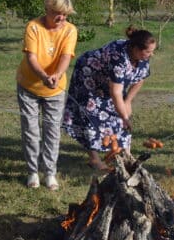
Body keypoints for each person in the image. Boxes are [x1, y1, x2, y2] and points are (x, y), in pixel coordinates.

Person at [63, 27, 156, 170]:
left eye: (152, 51)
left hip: (110, 82)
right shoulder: (118, 58)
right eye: (148, 51)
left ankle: (126, 155)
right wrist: (125, 117)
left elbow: (140, 78)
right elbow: (116, 93)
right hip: (89, 76)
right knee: (90, 114)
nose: (151, 54)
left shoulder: (142, 57)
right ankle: (94, 158)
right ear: (136, 48)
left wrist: (128, 101)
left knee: (119, 113)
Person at [16, 0, 77, 190]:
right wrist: (43, 77)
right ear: (47, 9)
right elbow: (31, 57)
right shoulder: (33, 27)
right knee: (31, 130)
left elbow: (66, 57)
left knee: (52, 131)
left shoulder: (70, 30)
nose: (62, 18)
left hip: (55, 89)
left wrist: (56, 76)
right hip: (29, 86)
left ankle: (50, 173)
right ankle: (33, 172)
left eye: (65, 14)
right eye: (58, 13)